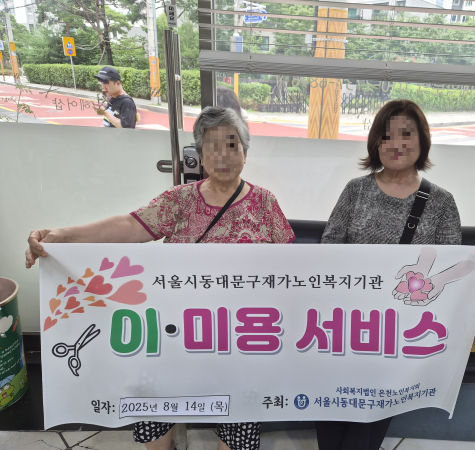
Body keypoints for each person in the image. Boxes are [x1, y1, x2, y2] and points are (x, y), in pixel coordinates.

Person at [25, 106, 295, 450]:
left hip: (239, 339)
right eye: (212, 147)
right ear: (200, 156)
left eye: (232, 145)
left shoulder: (265, 204)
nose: (223, 156)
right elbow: (129, 226)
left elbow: (292, 268)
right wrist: (62, 237)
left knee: (238, 426)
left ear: (245, 151)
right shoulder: (179, 200)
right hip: (174, 335)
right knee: (154, 418)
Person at [318, 99, 475, 450]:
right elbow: (329, 247)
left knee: (373, 409)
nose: (396, 144)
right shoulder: (356, 190)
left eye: (406, 134)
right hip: (348, 321)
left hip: (399, 329)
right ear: (375, 143)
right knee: (333, 400)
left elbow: (447, 265)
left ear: (422, 141)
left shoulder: (441, 201)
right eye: (387, 136)